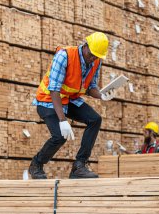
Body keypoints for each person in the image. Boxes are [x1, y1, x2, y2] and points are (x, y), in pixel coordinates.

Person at [29, 32, 116, 179]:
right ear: (85, 46)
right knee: (59, 136)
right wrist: (63, 120)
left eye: (97, 56)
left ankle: (79, 165)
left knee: (95, 119)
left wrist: (102, 95)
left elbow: (90, 86)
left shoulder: (96, 61)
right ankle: (36, 164)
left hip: (69, 100)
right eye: (92, 54)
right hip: (48, 100)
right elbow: (54, 89)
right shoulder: (65, 56)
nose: (93, 58)